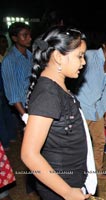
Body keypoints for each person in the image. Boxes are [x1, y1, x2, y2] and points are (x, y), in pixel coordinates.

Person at [21, 26, 97, 200]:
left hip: (74, 180)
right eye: (80, 56)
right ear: (57, 57)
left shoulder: (57, 87)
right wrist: (67, 192)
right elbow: (29, 154)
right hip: (62, 187)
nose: (84, 62)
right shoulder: (48, 94)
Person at [75, 30, 106, 181]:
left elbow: (105, 90)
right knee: (80, 144)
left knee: (100, 140)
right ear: (104, 44)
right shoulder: (88, 56)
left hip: (96, 109)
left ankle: (97, 171)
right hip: (80, 107)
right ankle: (78, 175)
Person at [0, 22, 37, 197]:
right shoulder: (9, 61)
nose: (29, 38)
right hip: (24, 110)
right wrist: (25, 117)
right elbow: (13, 95)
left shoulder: (30, 55)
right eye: (24, 35)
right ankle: (31, 185)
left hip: (36, 105)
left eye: (29, 35)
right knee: (30, 149)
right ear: (14, 38)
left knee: (40, 147)